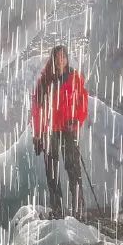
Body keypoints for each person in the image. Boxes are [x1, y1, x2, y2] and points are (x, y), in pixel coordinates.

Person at [31, 45, 89, 218]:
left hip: (69, 129)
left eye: (63, 56)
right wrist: (37, 134)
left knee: (73, 169)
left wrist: (77, 119)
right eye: (58, 56)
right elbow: (37, 109)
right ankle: (57, 210)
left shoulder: (74, 77)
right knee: (52, 172)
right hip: (50, 131)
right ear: (53, 59)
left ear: (67, 58)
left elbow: (83, 102)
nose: (61, 60)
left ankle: (79, 209)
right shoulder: (44, 80)